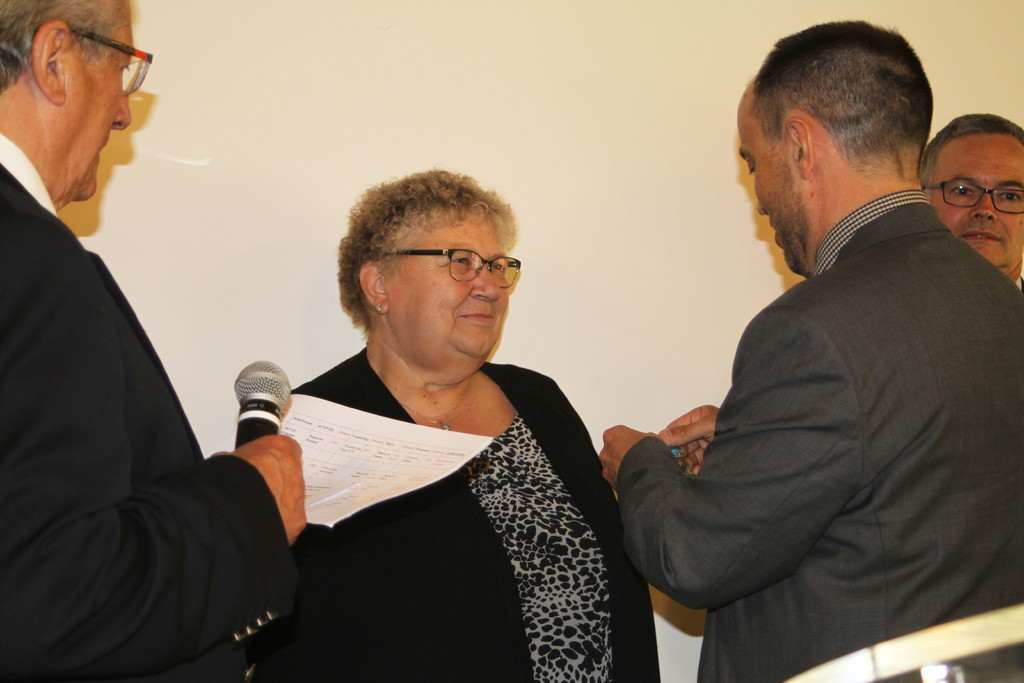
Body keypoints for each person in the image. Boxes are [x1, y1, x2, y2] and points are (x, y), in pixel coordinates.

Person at [599, 21, 1024, 683]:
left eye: (753, 161)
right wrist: (755, 439)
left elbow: (693, 559)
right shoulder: (1003, 305)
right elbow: (907, 474)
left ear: (800, 145)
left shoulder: (811, 328)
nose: (759, 196)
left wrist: (640, 466)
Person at [250, 169, 660, 682]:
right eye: (460, 262)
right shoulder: (316, 428)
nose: (489, 286)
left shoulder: (538, 399)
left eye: (497, 266)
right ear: (378, 284)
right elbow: (286, 634)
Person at [0, 1, 306, 680]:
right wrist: (247, 504)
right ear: (54, 61)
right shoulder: (29, 253)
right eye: (124, 69)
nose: (122, 112)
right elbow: (49, 594)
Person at [920, 113, 1024, 290]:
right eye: (963, 191)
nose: (985, 210)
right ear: (922, 200)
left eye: (1009, 196)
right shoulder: (875, 302)